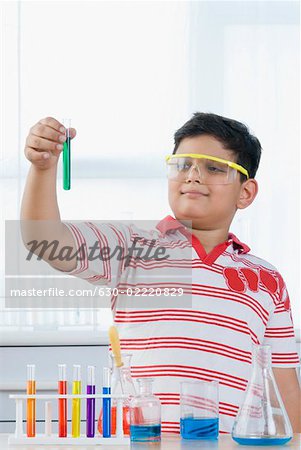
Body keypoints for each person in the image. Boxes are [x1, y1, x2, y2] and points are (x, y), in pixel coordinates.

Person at [20, 113, 301, 434]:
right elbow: (45, 240)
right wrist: (43, 169)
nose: (192, 176)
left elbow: (284, 387)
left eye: (213, 167)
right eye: (182, 165)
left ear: (246, 193)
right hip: (137, 440)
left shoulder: (267, 279)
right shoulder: (131, 245)